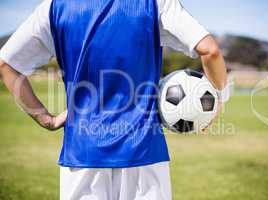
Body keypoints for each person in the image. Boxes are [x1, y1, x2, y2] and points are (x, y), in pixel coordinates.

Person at [0, 0, 229, 199]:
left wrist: (46, 119)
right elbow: (211, 51)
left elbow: (6, 64)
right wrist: (217, 100)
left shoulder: (54, 7)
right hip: (144, 154)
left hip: (82, 156)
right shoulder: (155, 3)